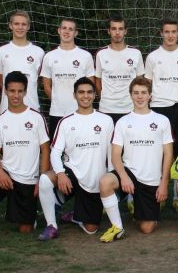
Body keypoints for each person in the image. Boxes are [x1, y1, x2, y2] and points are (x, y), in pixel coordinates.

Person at [0, 71, 50, 246]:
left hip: (28, 180)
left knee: (25, 230)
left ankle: (30, 217)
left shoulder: (36, 118)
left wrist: (41, 179)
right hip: (6, 174)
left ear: (25, 91)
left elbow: (45, 150)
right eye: (12, 91)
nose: (16, 95)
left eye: (19, 91)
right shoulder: (1, 121)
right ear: (5, 91)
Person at [36, 77, 114, 240]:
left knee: (91, 229)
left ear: (94, 95)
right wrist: (61, 173)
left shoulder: (106, 121)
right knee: (45, 179)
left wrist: (110, 178)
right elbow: (55, 153)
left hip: (95, 179)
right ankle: (52, 226)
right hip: (71, 174)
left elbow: (111, 153)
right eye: (81, 92)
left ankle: (74, 216)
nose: (85, 96)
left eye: (89, 92)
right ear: (74, 95)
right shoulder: (65, 122)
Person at [98, 77, 174, 242]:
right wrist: (123, 176)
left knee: (147, 229)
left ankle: (144, 210)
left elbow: (168, 154)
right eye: (136, 93)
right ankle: (118, 227)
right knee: (105, 182)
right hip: (129, 173)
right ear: (131, 95)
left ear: (150, 95)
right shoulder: (123, 122)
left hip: (151, 180)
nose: (140, 96)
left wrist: (163, 184)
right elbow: (115, 154)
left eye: (143, 93)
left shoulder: (162, 121)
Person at [144, 18, 178, 213]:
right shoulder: (152, 57)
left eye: (174, 31)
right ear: (161, 33)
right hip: (158, 108)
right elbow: (147, 83)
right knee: (156, 153)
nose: (170, 35)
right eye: (167, 32)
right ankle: (156, 193)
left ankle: (177, 196)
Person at [41, 18, 95, 138]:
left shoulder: (85, 56)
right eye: (64, 28)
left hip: (80, 112)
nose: (67, 31)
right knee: (56, 151)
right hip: (57, 112)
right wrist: (57, 101)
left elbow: (91, 85)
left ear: (75, 33)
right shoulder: (49, 56)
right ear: (59, 30)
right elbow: (46, 86)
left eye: (71, 29)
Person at [94, 14, 145, 123]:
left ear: (125, 31)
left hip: (130, 108)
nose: (117, 32)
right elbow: (97, 81)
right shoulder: (101, 54)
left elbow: (140, 81)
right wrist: (104, 97)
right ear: (108, 31)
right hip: (107, 108)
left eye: (120, 29)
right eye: (114, 29)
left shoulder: (136, 53)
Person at [0, 10, 44, 114]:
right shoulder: (1, 51)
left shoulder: (39, 52)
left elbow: (38, 80)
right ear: (10, 26)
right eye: (16, 24)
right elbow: (0, 81)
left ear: (28, 27)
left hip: (32, 108)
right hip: (6, 109)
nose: (20, 27)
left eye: (23, 24)